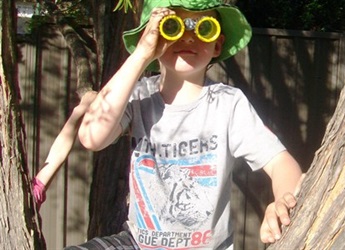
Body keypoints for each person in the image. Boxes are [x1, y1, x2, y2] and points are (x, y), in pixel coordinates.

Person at [73, 0, 303, 249]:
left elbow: (280, 161)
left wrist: (282, 200)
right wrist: (141, 54)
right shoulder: (138, 97)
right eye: (173, 27)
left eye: (204, 28)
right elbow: (92, 137)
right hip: (138, 243)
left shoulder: (227, 103)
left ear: (217, 45)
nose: (189, 37)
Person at [32, 90, 97, 210]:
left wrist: (81, 109)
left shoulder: (27, 197)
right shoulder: (28, 198)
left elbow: (57, 153)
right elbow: (57, 154)